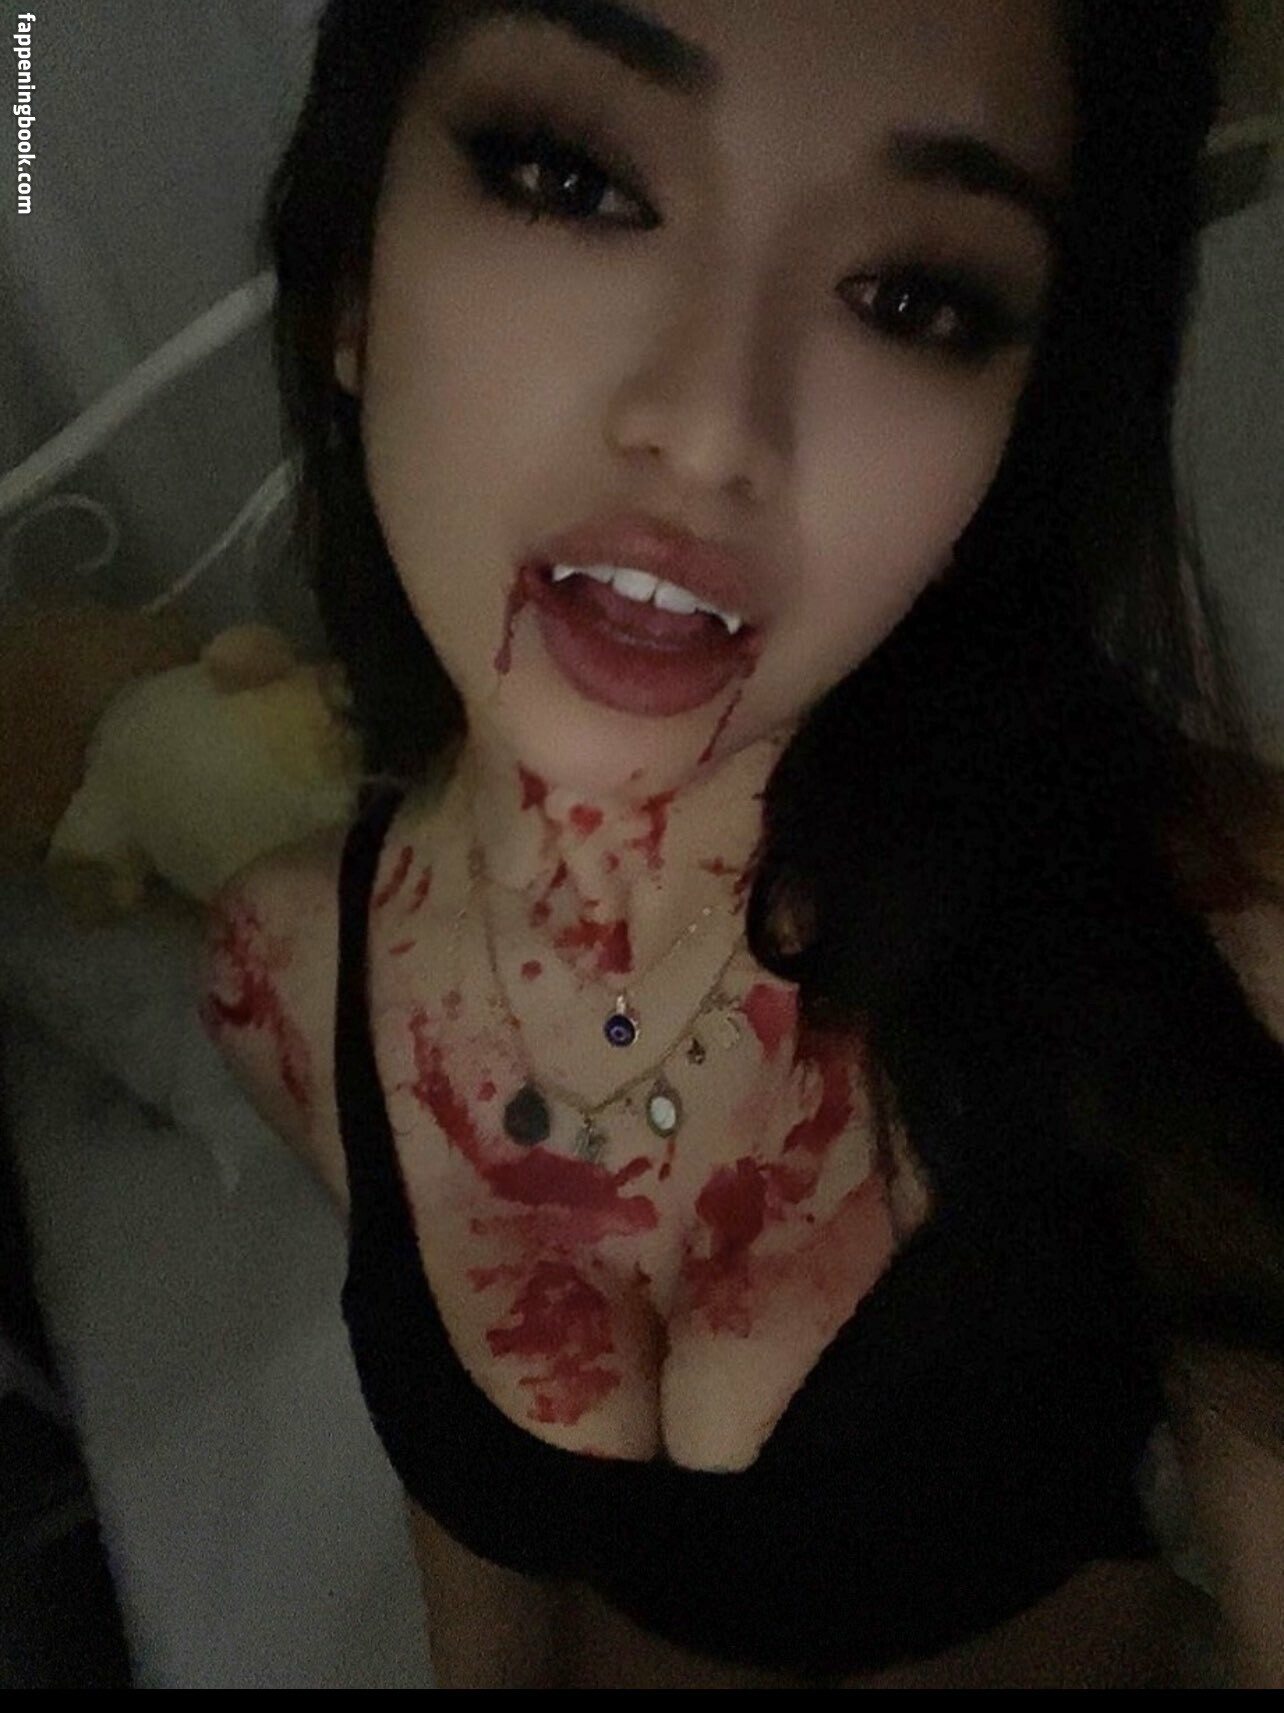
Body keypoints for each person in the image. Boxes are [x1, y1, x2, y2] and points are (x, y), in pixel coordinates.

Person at [201, 0, 1284, 1689]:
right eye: (571, 178)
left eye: (916, 298)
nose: (713, 434)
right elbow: (474, 1560)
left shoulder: (1213, 915)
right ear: (352, 280)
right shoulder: (285, 973)